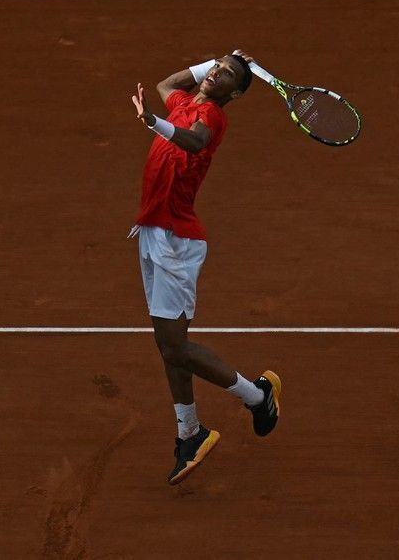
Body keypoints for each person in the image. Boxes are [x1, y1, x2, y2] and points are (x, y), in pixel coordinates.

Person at [128, 50, 281, 486]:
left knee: (175, 347)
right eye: (216, 68)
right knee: (169, 345)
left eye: (227, 75)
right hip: (154, 232)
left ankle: (256, 396)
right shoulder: (186, 102)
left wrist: (152, 124)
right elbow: (166, 84)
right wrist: (219, 57)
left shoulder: (211, 115)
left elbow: (192, 141)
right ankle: (189, 433)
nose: (216, 74)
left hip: (177, 241)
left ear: (235, 94)